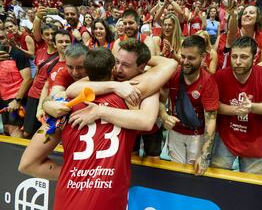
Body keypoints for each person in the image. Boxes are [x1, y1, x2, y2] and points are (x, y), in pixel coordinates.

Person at [18, 48, 161, 210]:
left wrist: (75, 174)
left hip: (68, 200)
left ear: (87, 71)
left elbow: (27, 164)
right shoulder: (132, 97)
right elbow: (168, 65)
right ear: (113, 68)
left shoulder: (64, 106)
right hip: (108, 201)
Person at [211, 36, 262, 175]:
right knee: (217, 177)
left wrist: (251, 107)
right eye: (234, 56)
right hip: (227, 137)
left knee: (253, 186)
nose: (237, 62)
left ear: (254, 57)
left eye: (244, 57)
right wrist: (236, 109)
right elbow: (215, 105)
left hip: (256, 140)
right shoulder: (220, 76)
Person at [160, 35, 219, 175]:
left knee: (195, 176)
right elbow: (160, 101)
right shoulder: (173, 73)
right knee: (176, 174)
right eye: (183, 56)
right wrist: (164, 115)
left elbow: (211, 120)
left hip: (197, 136)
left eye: (191, 58)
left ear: (203, 57)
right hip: (175, 133)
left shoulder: (208, 82)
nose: (185, 62)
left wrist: (204, 155)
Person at [0, 29, 32, 138]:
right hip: (2, 99)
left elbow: (27, 79)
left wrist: (17, 100)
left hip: (16, 99)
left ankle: (21, 155)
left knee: (14, 129)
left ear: (8, 39)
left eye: (2, 38)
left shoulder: (17, 54)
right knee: (6, 129)